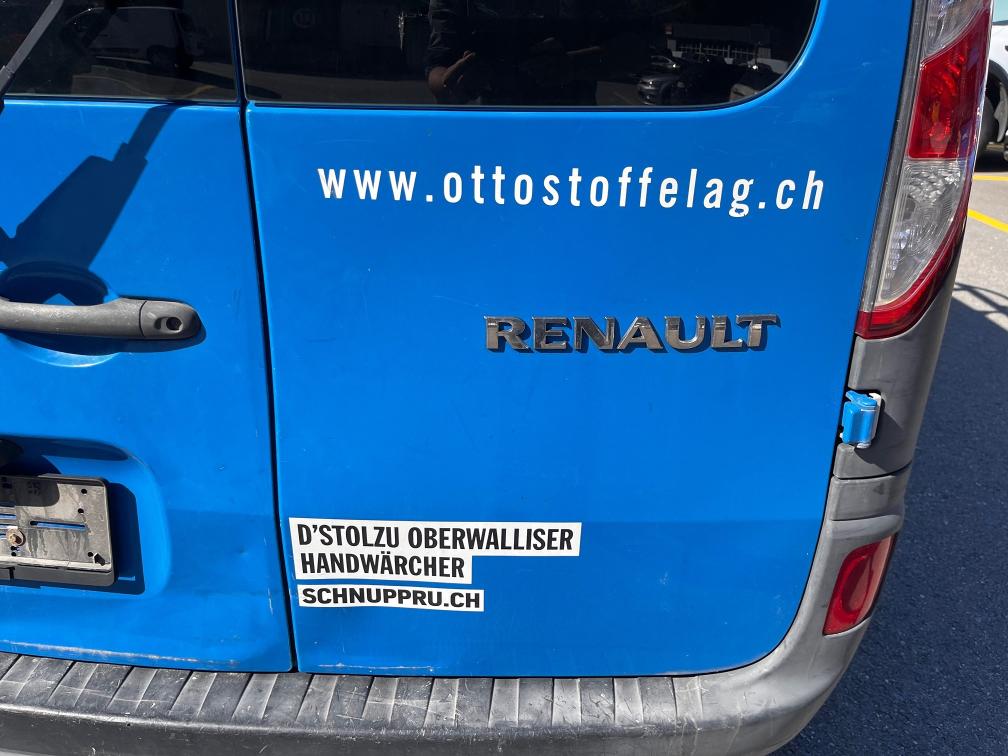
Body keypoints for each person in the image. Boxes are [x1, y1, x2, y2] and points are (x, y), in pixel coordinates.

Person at [424, 0, 655, 105]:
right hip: (496, 134)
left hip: (574, 132)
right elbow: (438, 64)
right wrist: (452, 85)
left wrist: (573, 65)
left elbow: (639, 49)